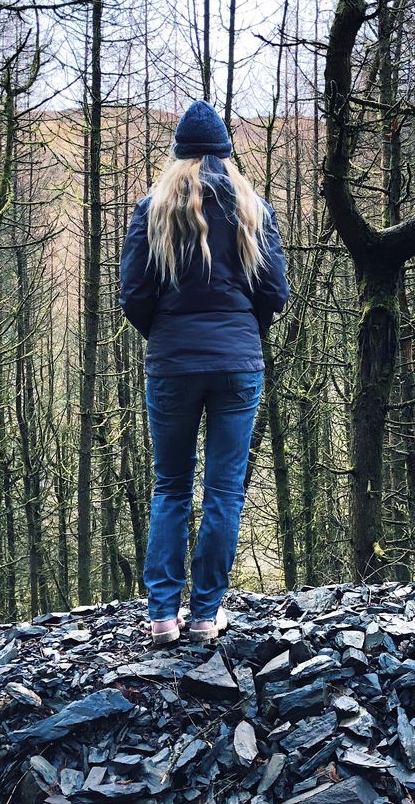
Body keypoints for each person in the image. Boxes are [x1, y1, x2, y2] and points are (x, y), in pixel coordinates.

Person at [118, 99, 288, 645]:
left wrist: (166, 337)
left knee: (170, 486)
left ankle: (163, 616)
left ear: (177, 155)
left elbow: (133, 296)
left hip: (171, 365)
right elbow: (274, 294)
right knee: (224, 490)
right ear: (225, 153)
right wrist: (243, 335)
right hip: (238, 364)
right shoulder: (252, 208)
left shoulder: (152, 210)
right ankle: (205, 616)